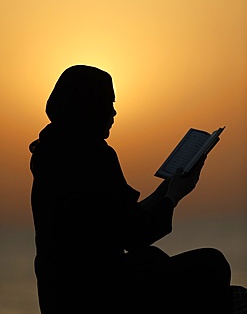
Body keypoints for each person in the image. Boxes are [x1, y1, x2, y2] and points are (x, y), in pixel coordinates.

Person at [29, 65, 247, 313]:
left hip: (60, 296)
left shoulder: (52, 151)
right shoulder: (93, 156)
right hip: (95, 295)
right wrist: (174, 197)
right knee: (212, 263)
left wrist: (165, 190)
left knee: (151, 258)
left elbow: (118, 220)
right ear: (88, 106)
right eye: (107, 103)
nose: (113, 112)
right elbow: (134, 235)